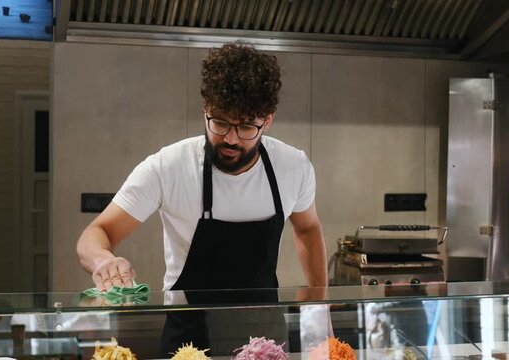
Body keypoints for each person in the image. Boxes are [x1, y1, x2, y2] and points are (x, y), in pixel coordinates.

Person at [76, 42, 328, 355]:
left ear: (268, 120)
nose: (231, 139)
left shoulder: (293, 167)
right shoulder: (168, 166)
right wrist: (103, 260)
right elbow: (95, 234)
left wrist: (320, 306)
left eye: (247, 126)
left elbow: (307, 228)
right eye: (220, 122)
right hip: (189, 338)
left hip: (264, 338)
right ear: (206, 108)